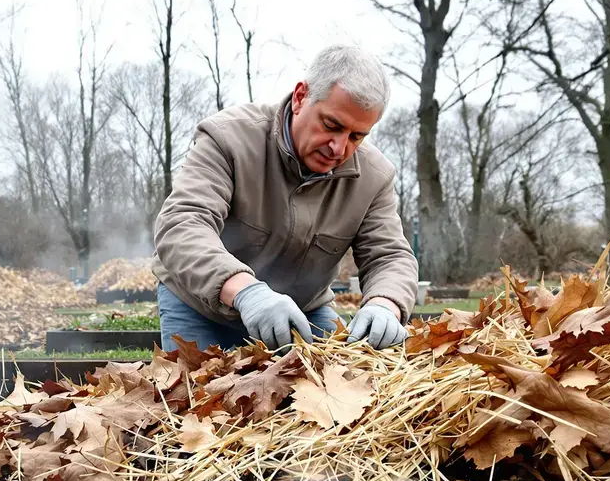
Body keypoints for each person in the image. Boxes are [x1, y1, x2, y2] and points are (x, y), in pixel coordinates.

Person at [151, 44, 419, 353]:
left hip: (303, 313)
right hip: (201, 307)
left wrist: (385, 304)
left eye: (356, 136)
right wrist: (246, 292)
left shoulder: (374, 176)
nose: (339, 148)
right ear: (301, 97)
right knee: (200, 397)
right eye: (332, 125)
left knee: (343, 389)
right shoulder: (229, 139)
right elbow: (182, 225)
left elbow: (389, 256)